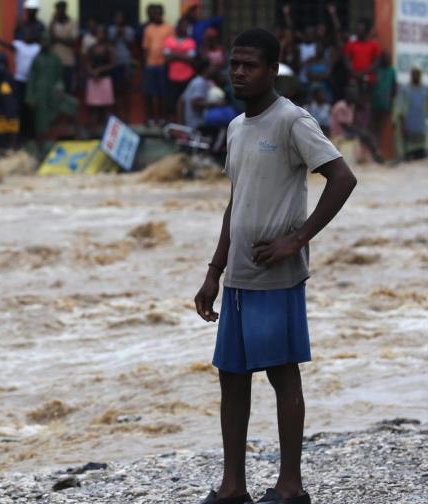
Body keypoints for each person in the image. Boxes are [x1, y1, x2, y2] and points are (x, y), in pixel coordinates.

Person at [194, 28, 357, 504]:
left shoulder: (292, 121)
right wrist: (213, 270)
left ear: (272, 71)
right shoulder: (235, 127)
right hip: (240, 277)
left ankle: (291, 486)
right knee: (232, 378)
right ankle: (233, 487)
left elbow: (342, 178)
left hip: (277, 275)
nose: (239, 72)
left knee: (282, 375)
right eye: (234, 65)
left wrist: (298, 239)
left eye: (250, 65)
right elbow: (235, 201)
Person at [142, 4, 173, 125]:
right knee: (150, 93)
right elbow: (145, 49)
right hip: (150, 65)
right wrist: (145, 66)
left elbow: (172, 45)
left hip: (163, 64)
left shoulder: (169, 28)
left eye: (158, 13)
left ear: (162, 14)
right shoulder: (148, 29)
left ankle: (161, 118)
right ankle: (151, 118)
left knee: (162, 93)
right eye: (154, 13)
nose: (156, 15)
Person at [164, 17, 197, 120]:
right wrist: (183, 54)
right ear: (178, 26)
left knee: (185, 103)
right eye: (182, 25)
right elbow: (167, 58)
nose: (184, 27)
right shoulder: (169, 40)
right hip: (172, 77)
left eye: (186, 26)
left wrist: (175, 53)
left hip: (187, 77)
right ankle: (173, 125)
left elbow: (191, 59)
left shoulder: (191, 41)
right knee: (171, 103)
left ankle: (185, 125)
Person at [85, 26, 116, 134]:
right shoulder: (91, 48)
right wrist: (92, 71)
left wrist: (100, 70)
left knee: (106, 107)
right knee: (93, 107)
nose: (100, 35)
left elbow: (112, 64)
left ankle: (108, 132)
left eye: (102, 33)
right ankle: (93, 132)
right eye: (98, 33)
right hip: (93, 80)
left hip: (105, 80)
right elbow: (87, 62)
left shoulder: (109, 48)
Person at [396, 66, 427, 161]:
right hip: (408, 121)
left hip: (421, 122)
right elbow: (400, 104)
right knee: (407, 144)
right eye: (414, 74)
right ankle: (406, 155)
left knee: (421, 147)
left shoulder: (425, 89)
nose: (416, 76)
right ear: (411, 75)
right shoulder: (405, 89)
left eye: (418, 74)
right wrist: (401, 117)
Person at [108, 10, 135, 115]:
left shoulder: (129, 30)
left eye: (121, 17)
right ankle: (116, 112)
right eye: (117, 17)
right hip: (114, 62)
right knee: (115, 89)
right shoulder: (110, 29)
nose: (119, 19)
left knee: (126, 88)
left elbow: (131, 45)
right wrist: (116, 34)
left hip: (126, 62)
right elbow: (110, 43)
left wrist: (123, 34)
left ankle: (126, 113)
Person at [50, 1, 78, 95]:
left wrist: (57, 38)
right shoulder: (53, 23)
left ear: (65, 9)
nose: (59, 11)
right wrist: (53, 21)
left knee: (67, 90)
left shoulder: (73, 22)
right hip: (55, 63)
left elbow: (73, 42)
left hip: (68, 63)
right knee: (55, 91)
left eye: (61, 9)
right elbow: (49, 39)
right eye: (57, 9)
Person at [344, 19, 380, 87]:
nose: (358, 32)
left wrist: (362, 73)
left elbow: (376, 63)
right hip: (353, 78)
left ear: (367, 31)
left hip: (369, 78)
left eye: (361, 30)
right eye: (358, 29)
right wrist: (353, 73)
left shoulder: (374, 45)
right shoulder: (350, 44)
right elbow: (346, 60)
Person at [180, 60, 213, 130]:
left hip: (191, 123)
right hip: (196, 124)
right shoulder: (200, 83)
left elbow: (181, 100)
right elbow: (196, 103)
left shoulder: (196, 81)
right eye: (211, 67)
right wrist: (217, 103)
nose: (213, 69)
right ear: (205, 69)